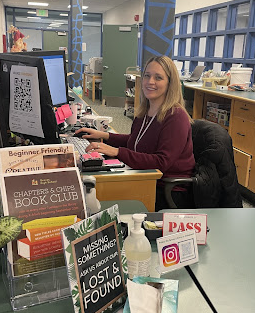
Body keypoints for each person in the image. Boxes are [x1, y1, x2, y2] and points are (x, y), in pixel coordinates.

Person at [76, 55, 195, 210]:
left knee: (102, 200)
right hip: (144, 177)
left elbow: (162, 162)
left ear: (170, 83)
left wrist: (117, 152)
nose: (150, 82)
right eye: (147, 76)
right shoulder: (145, 111)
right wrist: (105, 136)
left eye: (158, 77)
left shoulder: (176, 116)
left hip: (166, 190)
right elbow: (136, 141)